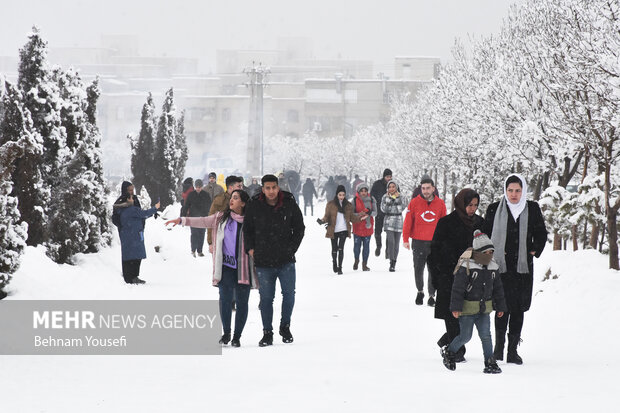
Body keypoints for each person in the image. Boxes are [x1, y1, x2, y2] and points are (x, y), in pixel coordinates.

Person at [166, 190, 256, 347]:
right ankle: (226, 333)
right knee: (225, 300)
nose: (231, 201)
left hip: (244, 268)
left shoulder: (251, 221)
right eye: (231, 198)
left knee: (242, 303)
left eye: (236, 198)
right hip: (226, 267)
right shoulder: (220, 218)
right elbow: (202, 221)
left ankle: (237, 336)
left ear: (243, 203)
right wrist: (181, 220)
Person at [482, 174, 547, 365]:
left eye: (518, 190)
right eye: (510, 190)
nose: (513, 194)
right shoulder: (495, 209)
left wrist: (535, 248)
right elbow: (485, 233)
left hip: (522, 269)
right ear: (505, 190)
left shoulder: (532, 208)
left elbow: (541, 232)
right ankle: (498, 348)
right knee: (501, 307)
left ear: (523, 190)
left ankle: (512, 350)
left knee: (518, 309)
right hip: (500, 268)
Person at [243, 174, 305, 347]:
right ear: (263, 189)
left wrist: (291, 248)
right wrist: (251, 249)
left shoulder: (288, 203)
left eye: (274, 187)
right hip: (263, 261)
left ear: (278, 188)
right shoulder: (255, 206)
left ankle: (285, 326)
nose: (271, 191)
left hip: (286, 260)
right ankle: (267, 332)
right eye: (267, 188)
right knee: (266, 298)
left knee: (289, 295)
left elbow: (299, 228)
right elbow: (247, 230)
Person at [429, 188, 483, 363]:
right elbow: (435, 251)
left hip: (472, 276)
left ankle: (449, 342)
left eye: (475, 205)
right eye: (469, 205)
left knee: (468, 315)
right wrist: (436, 277)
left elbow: (486, 250)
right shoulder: (446, 223)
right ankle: (457, 349)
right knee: (451, 314)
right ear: (461, 203)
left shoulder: (480, 224)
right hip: (448, 276)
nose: (472, 209)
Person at [442, 230, 507, 374]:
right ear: (478, 253)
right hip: (468, 309)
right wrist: (456, 307)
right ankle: (450, 351)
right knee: (466, 336)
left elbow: (498, 288)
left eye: (491, 252)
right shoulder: (467, 266)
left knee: (486, 335)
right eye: (487, 252)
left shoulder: (493, 267)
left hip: (484, 310)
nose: (490, 255)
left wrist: (500, 306)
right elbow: (458, 288)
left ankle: (490, 361)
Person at [403, 175, 447, 306]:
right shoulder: (414, 202)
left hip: (435, 242)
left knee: (433, 270)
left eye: (428, 188)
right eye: (423, 188)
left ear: (433, 188)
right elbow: (408, 222)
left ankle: (432, 295)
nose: (426, 191)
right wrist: (405, 239)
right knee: (418, 268)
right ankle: (420, 291)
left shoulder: (440, 203)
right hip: (418, 241)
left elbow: (444, 223)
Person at [114, 183, 160, 284]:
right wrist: (154, 208)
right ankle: (130, 277)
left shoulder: (132, 201)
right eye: (130, 190)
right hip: (129, 233)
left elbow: (139, 214)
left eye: (132, 189)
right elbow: (139, 213)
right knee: (132, 256)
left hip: (134, 232)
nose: (132, 192)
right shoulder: (123, 204)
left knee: (133, 255)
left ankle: (132, 276)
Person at [318, 185, 366, 275]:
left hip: (344, 229)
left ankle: (340, 267)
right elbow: (327, 216)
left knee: (341, 248)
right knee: (334, 249)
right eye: (340, 195)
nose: (341, 197)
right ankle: (334, 263)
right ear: (337, 194)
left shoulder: (348, 205)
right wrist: (322, 220)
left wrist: (360, 217)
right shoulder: (330, 204)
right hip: (333, 229)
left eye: (343, 195)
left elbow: (352, 217)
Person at [207, 175, 244, 250]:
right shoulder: (219, 200)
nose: (241, 188)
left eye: (241, 186)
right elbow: (211, 221)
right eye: (239, 186)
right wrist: (210, 242)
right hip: (222, 240)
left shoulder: (244, 200)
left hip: (240, 240)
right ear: (230, 187)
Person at [180, 179, 212, 257]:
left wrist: (208, 215)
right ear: (195, 186)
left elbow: (210, 206)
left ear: (202, 187)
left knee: (201, 234)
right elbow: (186, 206)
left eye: (200, 187)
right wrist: (183, 216)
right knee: (194, 234)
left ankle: (200, 251)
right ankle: (193, 250)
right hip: (193, 217)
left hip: (203, 218)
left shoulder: (206, 195)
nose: (198, 189)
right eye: (197, 187)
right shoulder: (191, 195)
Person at [352, 182, 378, 271]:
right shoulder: (355, 200)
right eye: (361, 191)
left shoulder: (372, 199)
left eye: (365, 191)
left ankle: (364, 264)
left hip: (368, 226)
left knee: (366, 247)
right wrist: (359, 214)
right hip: (357, 226)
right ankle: (356, 260)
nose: (363, 192)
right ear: (358, 191)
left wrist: (369, 213)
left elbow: (375, 212)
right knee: (356, 246)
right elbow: (351, 213)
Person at [380, 179, 404, 272]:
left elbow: (400, 209)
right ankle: (391, 261)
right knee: (391, 242)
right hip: (389, 220)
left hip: (398, 221)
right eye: (390, 187)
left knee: (396, 243)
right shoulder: (384, 197)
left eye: (393, 187)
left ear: (396, 187)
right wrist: (390, 199)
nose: (391, 188)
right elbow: (384, 209)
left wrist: (396, 199)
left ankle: (394, 261)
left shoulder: (401, 197)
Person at [371, 168, 392, 257]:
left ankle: (388, 250)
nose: (389, 178)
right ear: (384, 176)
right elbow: (372, 195)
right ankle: (378, 246)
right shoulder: (377, 184)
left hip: (389, 213)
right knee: (377, 231)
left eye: (390, 176)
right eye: (387, 176)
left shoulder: (393, 185)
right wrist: (375, 204)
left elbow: (398, 195)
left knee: (389, 232)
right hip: (379, 211)